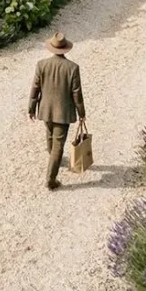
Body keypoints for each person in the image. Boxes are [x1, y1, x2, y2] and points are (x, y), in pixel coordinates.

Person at [28, 32, 85, 190]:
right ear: (65, 49)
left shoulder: (41, 64)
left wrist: (31, 108)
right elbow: (76, 93)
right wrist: (82, 113)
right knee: (59, 143)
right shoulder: (72, 68)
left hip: (46, 109)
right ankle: (51, 179)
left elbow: (35, 88)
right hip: (63, 111)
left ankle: (53, 159)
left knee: (50, 135)